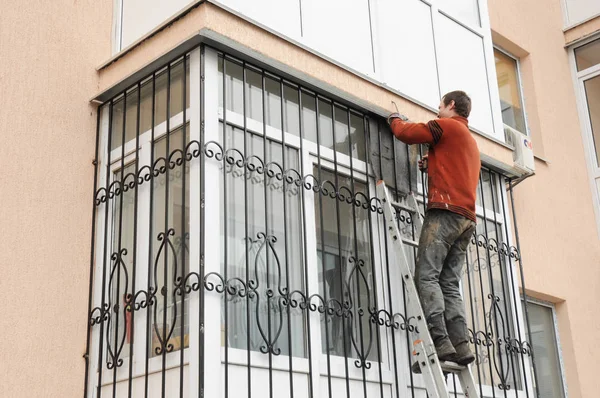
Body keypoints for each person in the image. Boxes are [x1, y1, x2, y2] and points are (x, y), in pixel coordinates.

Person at [387, 91, 480, 367]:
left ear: (452, 105)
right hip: (467, 219)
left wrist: (394, 120)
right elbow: (455, 168)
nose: (437, 108)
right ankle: (461, 345)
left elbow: (408, 132)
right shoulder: (470, 142)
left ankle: (439, 341)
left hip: (445, 212)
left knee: (426, 276)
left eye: (441, 104)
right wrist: (432, 164)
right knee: (449, 283)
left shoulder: (446, 126)